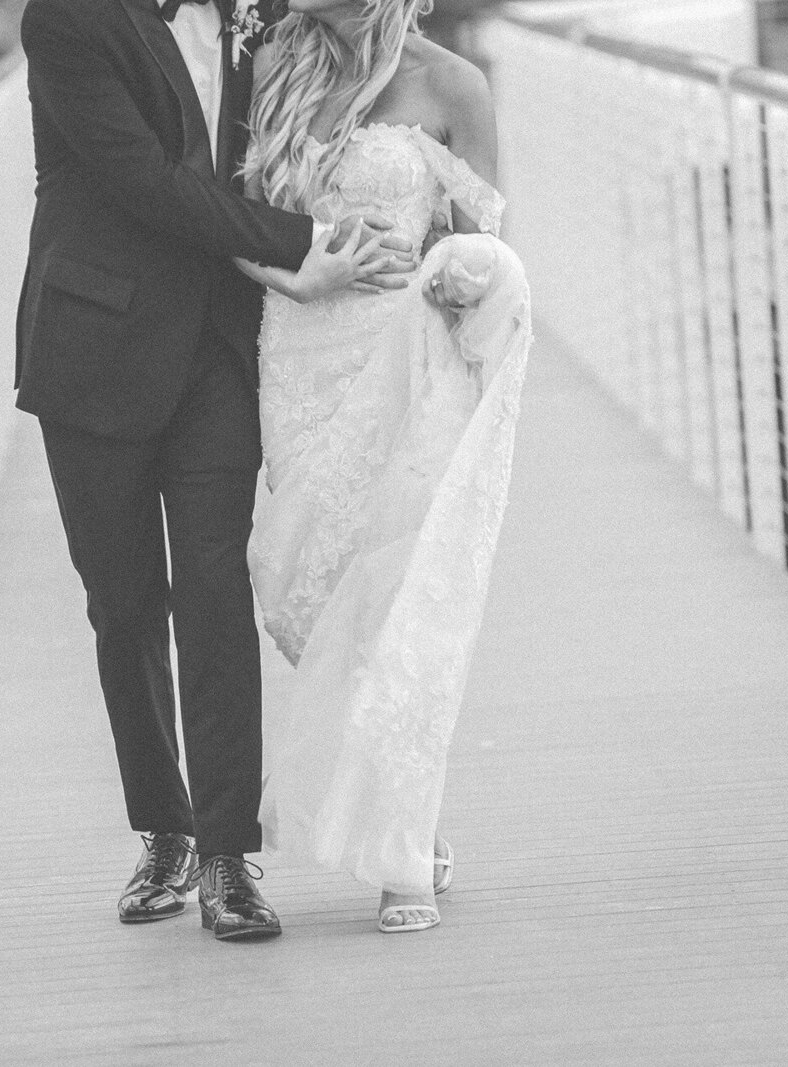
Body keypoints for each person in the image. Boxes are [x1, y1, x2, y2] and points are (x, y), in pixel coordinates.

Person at [17, 0, 424, 941]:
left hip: (214, 351)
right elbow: (147, 183)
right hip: (94, 344)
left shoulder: (263, 18)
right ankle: (164, 826)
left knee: (212, 584)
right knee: (124, 604)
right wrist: (299, 251)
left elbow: (354, 55)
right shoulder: (66, 21)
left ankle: (227, 856)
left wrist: (422, 59)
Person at [236, 0, 532, 931]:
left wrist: (448, 263)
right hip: (298, 361)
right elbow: (228, 219)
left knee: (394, 596)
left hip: (404, 357)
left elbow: (489, 247)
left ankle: (404, 848)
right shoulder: (273, 66)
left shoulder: (454, 86)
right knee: (299, 592)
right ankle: (413, 821)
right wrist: (293, 275)